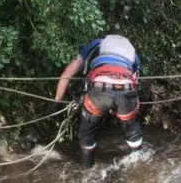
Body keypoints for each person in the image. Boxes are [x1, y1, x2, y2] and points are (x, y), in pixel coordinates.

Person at [55, 32, 143, 168]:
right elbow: (135, 81)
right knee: (133, 132)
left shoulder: (96, 44)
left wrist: (58, 101)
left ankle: (88, 170)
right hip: (126, 91)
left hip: (98, 92)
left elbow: (68, 73)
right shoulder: (132, 53)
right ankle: (138, 169)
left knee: (87, 134)